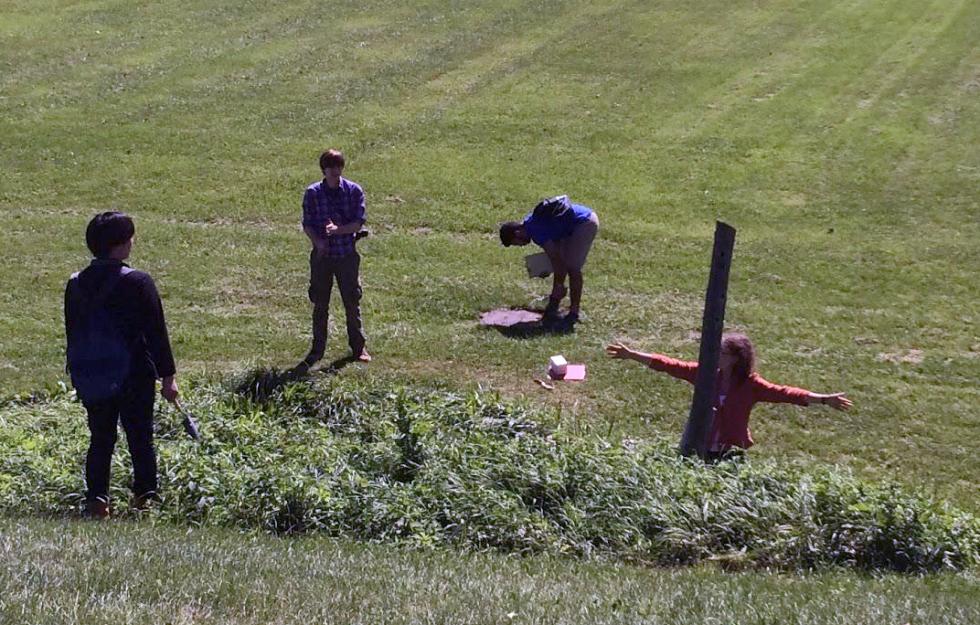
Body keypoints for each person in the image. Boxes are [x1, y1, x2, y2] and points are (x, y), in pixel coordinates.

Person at [64, 212, 179, 518]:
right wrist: (168, 377)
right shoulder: (138, 281)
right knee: (140, 436)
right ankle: (144, 498)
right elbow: (157, 333)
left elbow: (72, 332)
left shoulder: (75, 284)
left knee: (100, 437)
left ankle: (97, 500)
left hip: (92, 373)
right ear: (120, 245)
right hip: (134, 372)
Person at [606, 333, 852, 460]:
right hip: (695, 445)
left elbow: (786, 393)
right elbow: (669, 364)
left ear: (736, 358)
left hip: (724, 452)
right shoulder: (705, 374)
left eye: (722, 352)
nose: (716, 355)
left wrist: (823, 399)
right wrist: (631, 354)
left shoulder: (751, 385)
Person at [301, 148, 370, 366]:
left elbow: (358, 222)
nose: (335, 171)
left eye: (338, 166)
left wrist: (338, 230)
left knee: (352, 302)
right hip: (322, 258)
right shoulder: (312, 193)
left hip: (346, 255)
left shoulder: (353, 191)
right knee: (320, 303)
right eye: (331, 167)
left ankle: (359, 348)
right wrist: (318, 242)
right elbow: (308, 224)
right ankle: (317, 349)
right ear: (324, 169)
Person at [499, 195, 599, 325]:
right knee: (541, 265)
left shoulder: (536, 231)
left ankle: (574, 312)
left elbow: (557, 262)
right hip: (569, 227)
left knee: (573, 267)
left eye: (516, 243)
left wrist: (557, 288)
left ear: (517, 233)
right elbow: (556, 258)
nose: (520, 246)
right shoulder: (529, 223)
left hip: (584, 222)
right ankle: (555, 305)